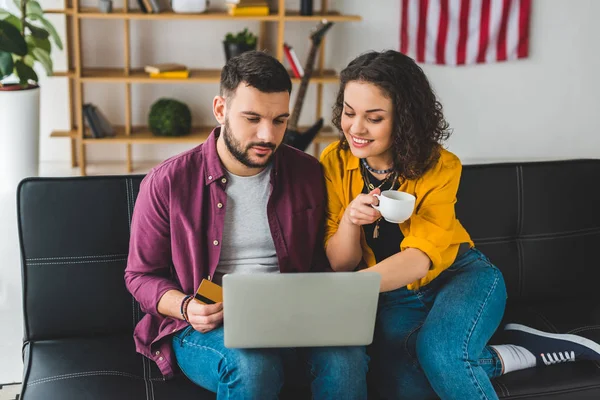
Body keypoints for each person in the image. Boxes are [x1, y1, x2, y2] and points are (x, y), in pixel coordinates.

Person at [320, 50, 600, 400]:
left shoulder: (441, 166)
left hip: (461, 277)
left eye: (374, 118)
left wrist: (350, 289)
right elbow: (339, 262)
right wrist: (349, 220)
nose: (356, 128)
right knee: (406, 386)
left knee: (442, 353)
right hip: (395, 298)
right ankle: (518, 352)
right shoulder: (333, 161)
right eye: (349, 112)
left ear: (404, 119)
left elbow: (420, 258)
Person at [124, 51, 369, 400]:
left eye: (279, 121)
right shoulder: (167, 182)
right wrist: (186, 307)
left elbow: (324, 260)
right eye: (252, 118)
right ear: (221, 109)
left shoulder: (308, 173)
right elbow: (140, 276)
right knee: (252, 365)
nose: (267, 135)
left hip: (293, 315)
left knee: (347, 357)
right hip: (207, 322)